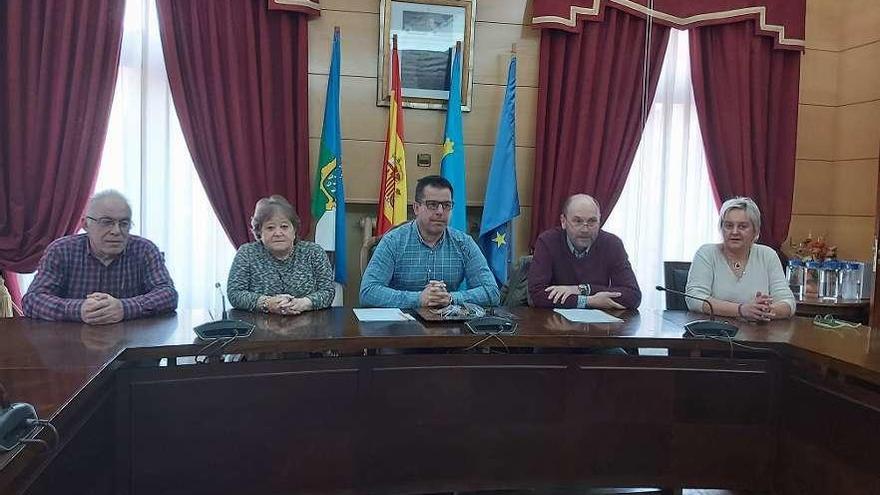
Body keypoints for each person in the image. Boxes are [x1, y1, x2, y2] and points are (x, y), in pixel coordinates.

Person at [23, 190, 178, 324]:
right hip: (71, 347)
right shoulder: (61, 250)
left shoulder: (145, 250)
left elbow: (168, 295)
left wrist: (124, 308)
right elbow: (32, 300)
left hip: (133, 347)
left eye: (124, 223)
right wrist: (79, 309)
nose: (116, 231)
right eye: (107, 222)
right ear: (85, 225)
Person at [360, 175, 500, 309]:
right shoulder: (393, 241)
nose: (440, 211)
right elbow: (368, 292)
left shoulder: (464, 243)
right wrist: (418, 299)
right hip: (399, 326)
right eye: (432, 205)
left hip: (448, 326)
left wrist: (451, 298)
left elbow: (492, 292)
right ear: (416, 208)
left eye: (446, 205)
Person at [686, 197, 795, 321]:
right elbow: (694, 299)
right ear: (721, 229)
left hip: (758, 335)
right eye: (728, 225)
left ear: (756, 231)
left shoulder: (768, 255)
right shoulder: (706, 253)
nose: (734, 232)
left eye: (742, 226)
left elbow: (788, 302)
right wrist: (741, 310)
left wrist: (764, 311)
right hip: (714, 334)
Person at [528, 194, 641, 309]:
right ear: (563, 221)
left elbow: (633, 296)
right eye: (577, 221)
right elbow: (537, 294)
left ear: (599, 221)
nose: (585, 229)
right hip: (554, 322)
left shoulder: (612, 244)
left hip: (599, 324)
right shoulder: (548, 241)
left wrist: (581, 289)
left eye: (592, 221)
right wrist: (588, 301)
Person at [227, 195, 334, 315]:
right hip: (259, 327)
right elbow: (235, 293)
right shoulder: (246, 253)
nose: (278, 233)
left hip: (309, 325)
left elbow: (328, 291)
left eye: (284, 226)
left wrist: (304, 303)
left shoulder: (314, 252)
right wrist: (267, 303)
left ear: (294, 230)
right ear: (259, 232)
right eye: (270, 228)